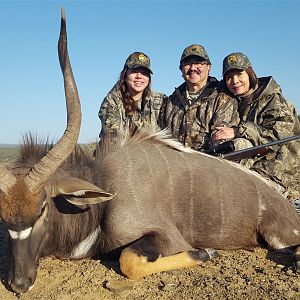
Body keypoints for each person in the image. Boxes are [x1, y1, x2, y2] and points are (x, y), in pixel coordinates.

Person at [212, 52, 300, 199]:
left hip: (281, 170)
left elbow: (276, 138)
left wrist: (238, 131)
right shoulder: (233, 101)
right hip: (253, 164)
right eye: (229, 77)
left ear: (250, 73)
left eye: (239, 74)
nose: (235, 81)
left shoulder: (274, 100)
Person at [159, 44, 239, 151]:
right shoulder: (170, 102)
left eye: (198, 63)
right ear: (181, 69)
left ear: (209, 67)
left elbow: (220, 141)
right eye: (187, 64)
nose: (192, 68)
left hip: (208, 164)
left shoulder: (223, 98)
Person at [98, 51, 167, 141]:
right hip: (120, 152)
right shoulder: (111, 102)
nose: (139, 76)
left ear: (149, 78)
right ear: (125, 75)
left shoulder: (160, 100)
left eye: (144, 73)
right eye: (134, 71)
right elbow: (114, 139)